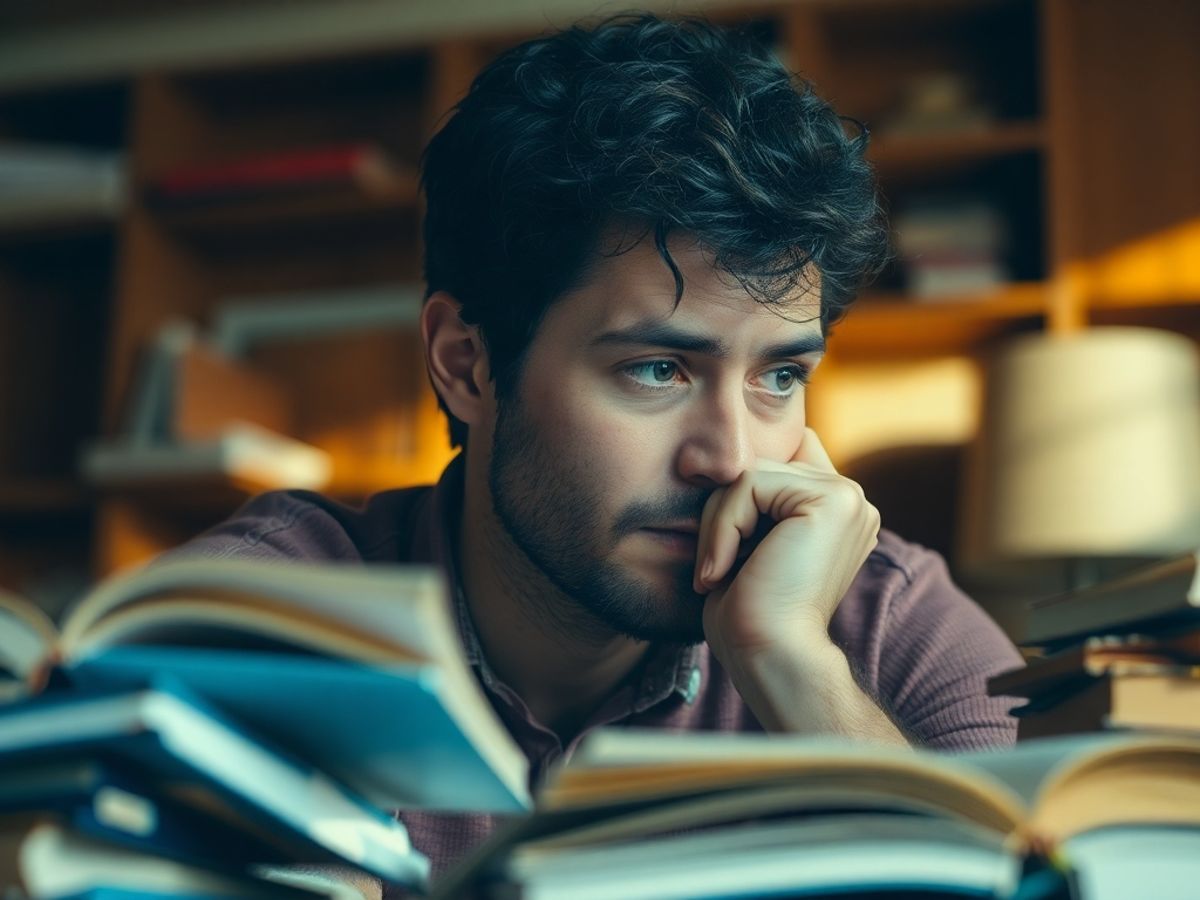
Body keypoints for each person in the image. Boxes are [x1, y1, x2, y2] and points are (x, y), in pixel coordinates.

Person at [160, 12, 1021, 890]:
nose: (730, 459)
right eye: (657, 369)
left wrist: (795, 671)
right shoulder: (275, 617)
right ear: (467, 363)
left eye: (779, 377)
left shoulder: (888, 633)